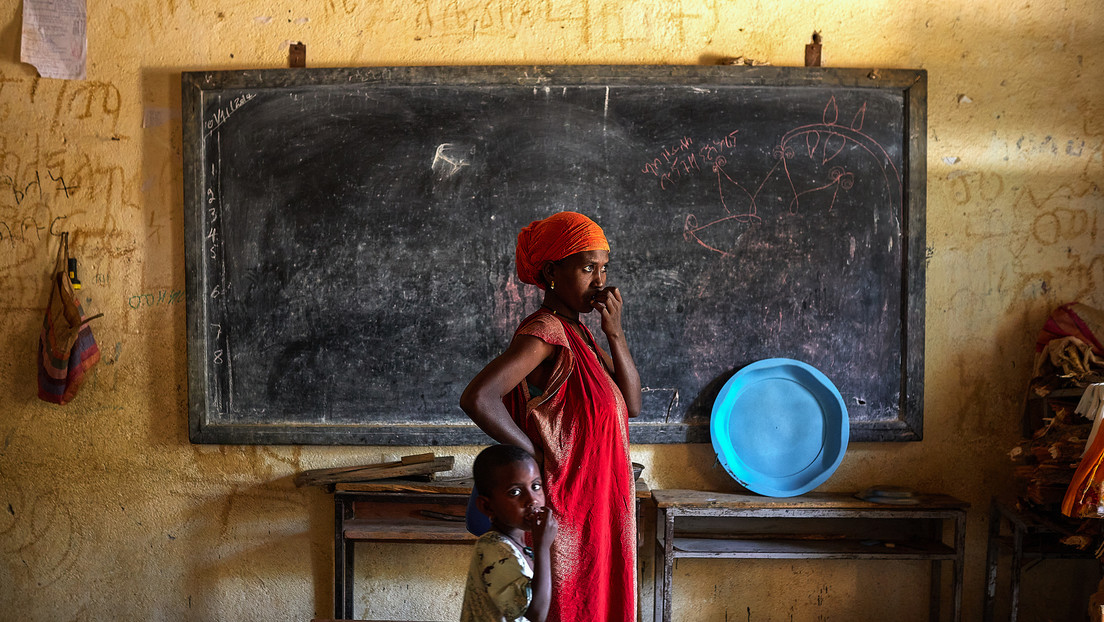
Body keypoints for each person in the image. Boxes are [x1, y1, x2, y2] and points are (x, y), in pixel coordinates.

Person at [460, 211, 641, 622]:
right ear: (551, 272)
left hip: (599, 507)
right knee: (568, 606)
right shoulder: (545, 333)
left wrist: (615, 332)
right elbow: (478, 397)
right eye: (587, 268)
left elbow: (631, 405)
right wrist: (532, 458)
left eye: (604, 268)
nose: (600, 281)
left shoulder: (581, 335)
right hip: (569, 513)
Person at [461, 444, 559, 622]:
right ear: (487, 506)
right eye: (515, 492)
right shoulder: (493, 550)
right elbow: (535, 616)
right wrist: (543, 548)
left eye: (536, 486)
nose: (532, 500)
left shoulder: (518, 544)